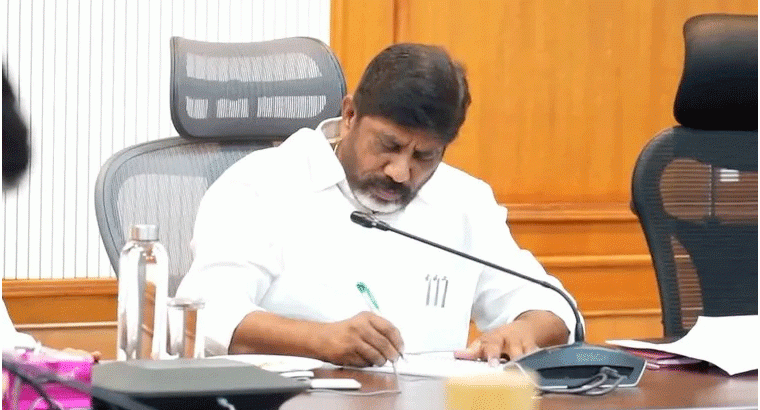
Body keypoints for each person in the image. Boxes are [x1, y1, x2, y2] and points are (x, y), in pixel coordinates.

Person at [176, 43, 580, 367]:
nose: (400, 172)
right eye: (388, 145)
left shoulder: (464, 200)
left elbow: (553, 306)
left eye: (425, 156)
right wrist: (319, 340)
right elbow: (205, 313)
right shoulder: (263, 183)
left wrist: (523, 330)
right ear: (350, 115)